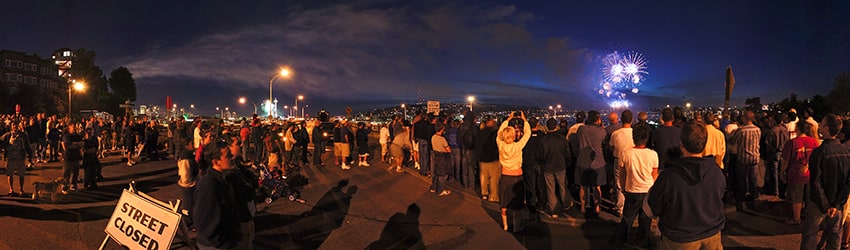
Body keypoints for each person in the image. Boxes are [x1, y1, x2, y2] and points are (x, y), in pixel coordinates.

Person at [645, 120, 725, 249]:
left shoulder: (669, 176)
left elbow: (651, 209)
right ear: (704, 144)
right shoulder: (716, 172)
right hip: (712, 235)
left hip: (679, 239)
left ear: (681, 143)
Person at [800, 114, 850, 250]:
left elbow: (816, 182)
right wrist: (837, 204)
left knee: (810, 235)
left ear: (826, 128)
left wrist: (826, 205)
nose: (819, 127)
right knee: (834, 235)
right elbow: (847, 183)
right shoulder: (846, 152)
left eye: (821, 124)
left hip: (819, 204)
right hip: (837, 204)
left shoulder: (819, 152)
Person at [612, 124, 657, 248]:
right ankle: (642, 241)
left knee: (627, 218)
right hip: (647, 190)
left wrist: (622, 188)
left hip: (631, 190)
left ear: (634, 137)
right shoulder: (653, 154)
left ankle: (620, 240)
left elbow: (622, 174)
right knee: (645, 219)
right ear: (646, 138)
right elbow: (655, 175)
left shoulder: (626, 153)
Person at [193, 141, 241, 249]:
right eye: (228, 156)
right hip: (216, 245)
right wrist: (221, 242)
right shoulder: (209, 185)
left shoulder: (222, 178)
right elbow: (202, 221)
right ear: (216, 162)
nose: (232, 157)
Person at [496, 111, 531, 231]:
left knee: (504, 202)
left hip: (505, 175)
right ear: (514, 135)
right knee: (517, 202)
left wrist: (507, 120)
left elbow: (499, 133)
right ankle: (516, 226)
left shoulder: (500, 145)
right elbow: (528, 133)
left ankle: (505, 225)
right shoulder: (518, 146)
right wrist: (524, 120)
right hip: (517, 176)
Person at [782, 121, 816, 225]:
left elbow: (785, 161)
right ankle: (809, 217)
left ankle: (796, 219)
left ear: (798, 129)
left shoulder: (792, 143)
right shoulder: (814, 142)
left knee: (797, 198)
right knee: (809, 197)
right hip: (811, 174)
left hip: (795, 174)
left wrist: (782, 172)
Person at [540, 118, 574, 218]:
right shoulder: (561, 139)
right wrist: (567, 163)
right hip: (560, 166)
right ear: (556, 126)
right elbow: (567, 153)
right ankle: (566, 204)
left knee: (550, 189)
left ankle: (553, 210)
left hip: (548, 167)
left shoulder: (543, 140)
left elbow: (540, 155)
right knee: (562, 186)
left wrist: (543, 163)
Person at [576, 111, 607, 215]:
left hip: (583, 161)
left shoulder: (582, 129)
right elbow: (604, 143)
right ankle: (597, 207)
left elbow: (577, 140)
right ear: (598, 120)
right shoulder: (602, 131)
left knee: (583, 186)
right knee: (597, 187)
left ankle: (583, 207)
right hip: (598, 162)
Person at [732, 110, 762, 211]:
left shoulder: (741, 130)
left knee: (742, 179)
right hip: (755, 157)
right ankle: (754, 199)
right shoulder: (758, 129)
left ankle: (741, 200)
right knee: (753, 179)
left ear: (744, 118)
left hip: (743, 158)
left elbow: (732, 141)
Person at [608, 110, 635, 216]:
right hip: (632, 159)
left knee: (619, 183)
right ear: (632, 120)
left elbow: (611, 147)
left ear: (621, 120)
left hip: (618, 160)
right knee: (631, 182)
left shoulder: (615, 134)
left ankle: (620, 207)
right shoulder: (634, 132)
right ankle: (631, 206)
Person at [1, 123, 32, 196]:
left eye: (16, 126)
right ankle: (11, 189)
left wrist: (30, 156)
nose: (15, 127)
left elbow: (27, 145)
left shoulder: (23, 135)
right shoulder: (7, 135)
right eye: (13, 126)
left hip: (20, 157)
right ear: (11, 127)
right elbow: (1, 142)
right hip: (10, 157)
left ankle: (21, 189)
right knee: (9, 174)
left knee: (21, 174)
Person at [476, 118, 500, 203]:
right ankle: (493, 196)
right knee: (493, 179)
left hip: (482, 159)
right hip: (493, 159)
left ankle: (484, 194)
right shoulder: (494, 133)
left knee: (483, 177)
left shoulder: (480, 133)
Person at [431, 123, 452, 196]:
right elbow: (448, 150)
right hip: (442, 157)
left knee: (437, 173)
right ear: (442, 129)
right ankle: (440, 190)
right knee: (443, 175)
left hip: (435, 156)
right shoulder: (442, 139)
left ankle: (433, 187)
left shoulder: (433, 137)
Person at [62, 124, 84, 191]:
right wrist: (76, 144)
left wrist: (75, 144)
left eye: (75, 127)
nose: (74, 128)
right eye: (73, 127)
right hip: (68, 157)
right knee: (67, 172)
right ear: (69, 128)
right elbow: (67, 146)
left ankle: (73, 185)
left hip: (76, 156)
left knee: (75, 172)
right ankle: (65, 185)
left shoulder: (77, 136)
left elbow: (82, 144)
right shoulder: (66, 136)